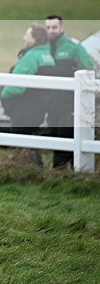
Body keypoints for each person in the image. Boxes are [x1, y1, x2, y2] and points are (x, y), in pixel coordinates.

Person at [43, 15, 96, 169]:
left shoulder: (74, 48)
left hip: (69, 104)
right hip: (51, 103)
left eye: (54, 27)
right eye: (48, 28)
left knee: (65, 137)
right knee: (54, 137)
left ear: (62, 28)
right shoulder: (44, 48)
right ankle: (63, 174)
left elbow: (89, 70)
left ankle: (65, 172)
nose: (51, 31)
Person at [0, 24, 56, 165]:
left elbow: (16, 86)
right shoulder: (47, 56)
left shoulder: (31, 57)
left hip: (24, 107)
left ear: (34, 39)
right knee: (32, 142)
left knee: (21, 143)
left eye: (27, 35)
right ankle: (36, 173)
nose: (24, 37)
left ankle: (25, 173)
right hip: (40, 106)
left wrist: (4, 97)